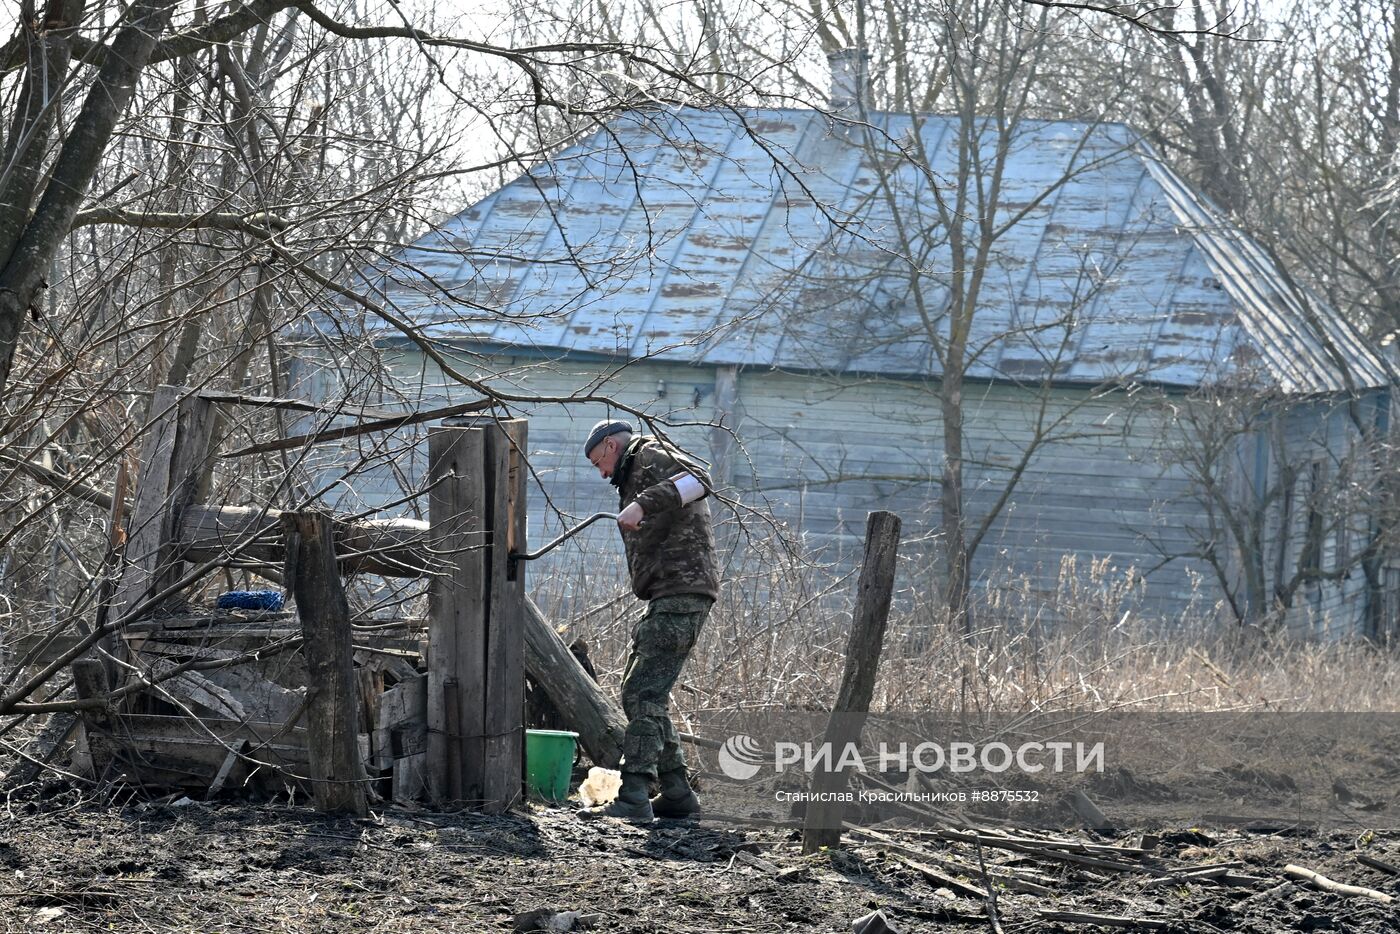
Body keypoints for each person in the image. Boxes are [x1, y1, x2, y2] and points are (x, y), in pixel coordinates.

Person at [582, 419, 719, 822]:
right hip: (668, 593)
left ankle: (635, 794)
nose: (602, 473)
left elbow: (700, 478)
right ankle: (676, 792)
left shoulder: (649, 453)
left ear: (610, 445)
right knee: (641, 692)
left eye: (598, 463)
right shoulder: (633, 470)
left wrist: (642, 503)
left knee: (642, 693)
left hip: (683, 590)